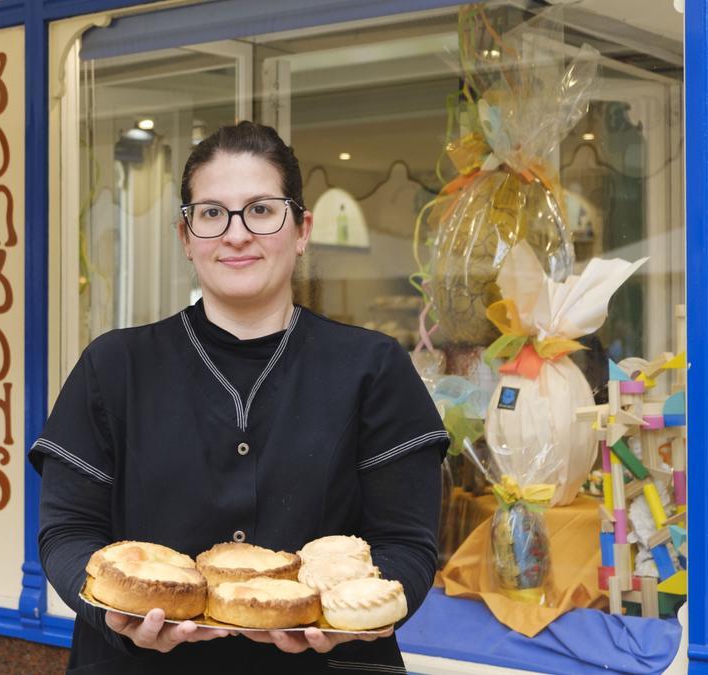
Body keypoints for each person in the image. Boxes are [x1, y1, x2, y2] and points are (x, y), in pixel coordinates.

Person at [30, 121, 449, 674]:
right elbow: (67, 532)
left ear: (301, 229)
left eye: (260, 209)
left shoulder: (372, 367)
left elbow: (407, 543)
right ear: (185, 238)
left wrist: (344, 617)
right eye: (211, 213)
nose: (235, 234)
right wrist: (117, 615)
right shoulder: (114, 367)